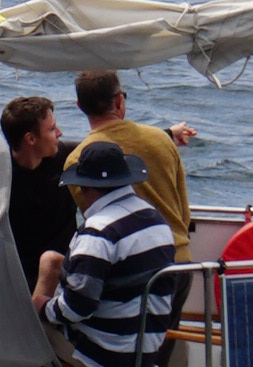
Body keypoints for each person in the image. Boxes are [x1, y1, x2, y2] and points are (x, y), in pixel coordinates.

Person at [36, 139, 185, 367]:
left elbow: (78, 307)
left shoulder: (99, 231)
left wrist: (43, 308)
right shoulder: (156, 220)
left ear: (85, 187)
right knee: (50, 260)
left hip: (109, 359)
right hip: (145, 351)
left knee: (35, 327)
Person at [74, 64, 193, 245]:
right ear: (119, 101)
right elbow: (183, 213)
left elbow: (95, 220)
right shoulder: (162, 139)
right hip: (177, 252)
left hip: (122, 260)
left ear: (79, 106)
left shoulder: (76, 161)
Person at [0, 93, 77, 283]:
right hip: (19, 276)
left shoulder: (70, 157)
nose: (60, 133)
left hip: (66, 270)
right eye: (52, 129)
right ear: (31, 139)